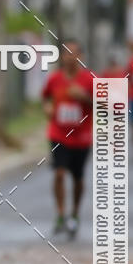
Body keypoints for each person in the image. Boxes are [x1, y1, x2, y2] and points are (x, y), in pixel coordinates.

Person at [42, 42, 94, 237]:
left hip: (81, 138)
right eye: (67, 53)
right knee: (59, 173)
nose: (70, 57)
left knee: (78, 178)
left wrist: (84, 98)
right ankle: (61, 214)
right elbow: (45, 97)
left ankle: (75, 213)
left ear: (81, 56)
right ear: (62, 56)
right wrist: (47, 107)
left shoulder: (88, 79)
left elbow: (106, 104)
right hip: (58, 135)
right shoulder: (54, 79)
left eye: (75, 53)